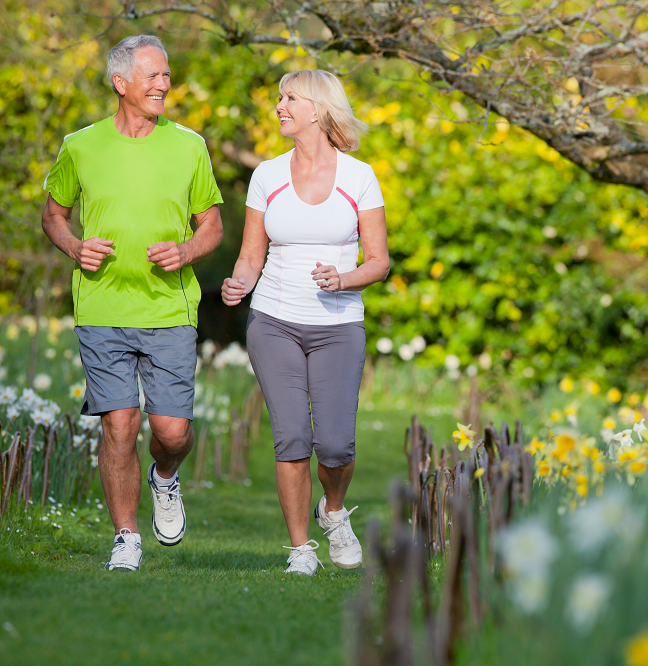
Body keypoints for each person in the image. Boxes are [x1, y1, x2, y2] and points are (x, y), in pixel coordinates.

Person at [41, 35, 224, 571]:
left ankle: (165, 477)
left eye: (167, 75)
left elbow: (211, 225)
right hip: (102, 309)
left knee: (171, 432)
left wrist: (187, 249)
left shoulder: (189, 145)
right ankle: (126, 536)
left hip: (168, 309)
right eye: (153, 76)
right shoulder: (80, 146)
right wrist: (74, 245)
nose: (164, 84)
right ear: (120, 83)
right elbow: (53, 214)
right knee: (118, 424)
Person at [221, 69, 389, 575]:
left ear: (317, 109)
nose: (280, 106)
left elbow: (379, 261)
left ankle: (333, 510)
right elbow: (252, 254)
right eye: (279, 97)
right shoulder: (266, 175)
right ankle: (300, 550)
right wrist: (239, 282)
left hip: (338, 325)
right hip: (274, 320)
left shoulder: (358, 176)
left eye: (290, 97)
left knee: (336, 444)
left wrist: (344, 279)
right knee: (292, 437)